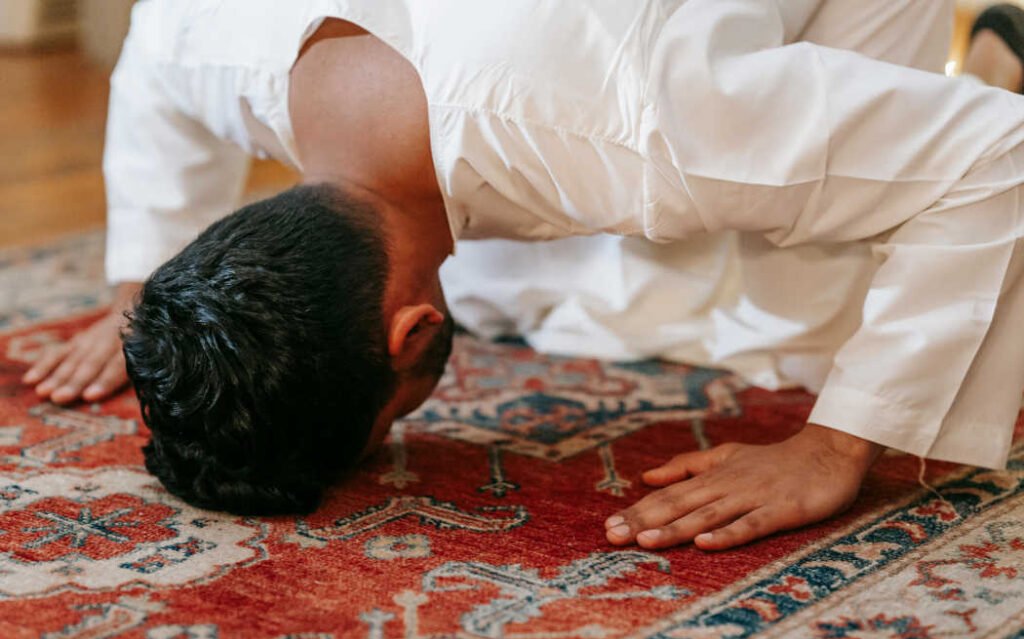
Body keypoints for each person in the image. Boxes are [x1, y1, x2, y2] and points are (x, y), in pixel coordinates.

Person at [20, 0, 1024, 549]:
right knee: (532, 295)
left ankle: (983, 64)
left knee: (794, 339)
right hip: (552, 63)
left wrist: (836, 444)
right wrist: (140, 293)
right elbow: (149, 61)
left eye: (389, 421)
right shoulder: (212, 42)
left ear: (412, 333)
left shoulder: (651, 129)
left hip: (712, 48)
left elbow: (1000, 157)